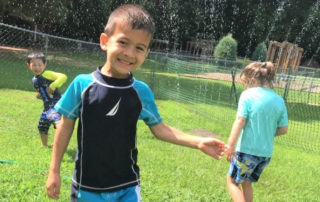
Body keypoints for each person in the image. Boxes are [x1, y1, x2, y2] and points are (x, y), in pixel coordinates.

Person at [45, 4, 227, 201]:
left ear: (146, 53)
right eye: (123, 42)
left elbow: (161, 129)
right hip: (87, 186)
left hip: (128, 186)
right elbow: (64, 127)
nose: (130, 54)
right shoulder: (83, 85)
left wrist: (198, 141)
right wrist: (54, 170)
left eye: (139, 48)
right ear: (105, 41)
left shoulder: (141, 92)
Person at [226, 61, 288, 202]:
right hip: (265, 155)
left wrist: (230, 145)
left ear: (252, 80)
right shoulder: (279, 100)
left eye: (246, 82)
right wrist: (267, 132)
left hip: (247, 151)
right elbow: (284, 129)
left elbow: (240, 120)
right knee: (246, 182)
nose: (246, 86)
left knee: (232, 181)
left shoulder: (248, 95)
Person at [26, 52, 67, 147]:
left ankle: (60, 142)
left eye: (40, 65)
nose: (37, 67)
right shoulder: (34, 80)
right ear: (29, 65)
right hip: (47, 106)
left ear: (45, 65)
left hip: (55, 103)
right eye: (34, 65)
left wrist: (53, 85)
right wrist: (39, 95)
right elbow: (41, 90)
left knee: (56, 121)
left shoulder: (47, 74)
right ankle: (44, 145)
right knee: (42, 126)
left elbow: (63, 77)